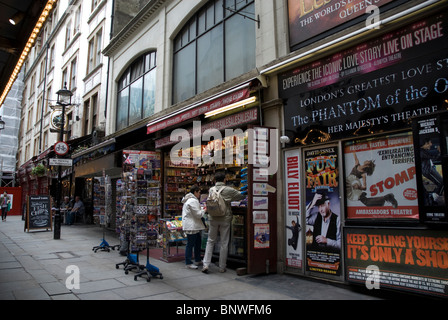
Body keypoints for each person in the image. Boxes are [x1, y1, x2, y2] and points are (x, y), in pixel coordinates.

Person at [202, 172, 246, 273]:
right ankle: (222, 267)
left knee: (210, 241)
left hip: (213, 217)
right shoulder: (229, 190)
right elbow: (241, 196)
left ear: (214, 180)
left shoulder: (211, 190)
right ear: (225, 180)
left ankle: (206, 264)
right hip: (225, 218)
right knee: (224, 242)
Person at [182, 185, 206, 269]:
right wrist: (204, 209)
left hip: (194, 226)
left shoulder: (190, 200)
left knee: (197, 243)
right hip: (192, 226)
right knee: (191, 244)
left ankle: (197, 259)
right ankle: (188, 262)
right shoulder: (192, 201)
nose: (200, 194)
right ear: (195, 192)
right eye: (199, 192)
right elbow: (198, 214)